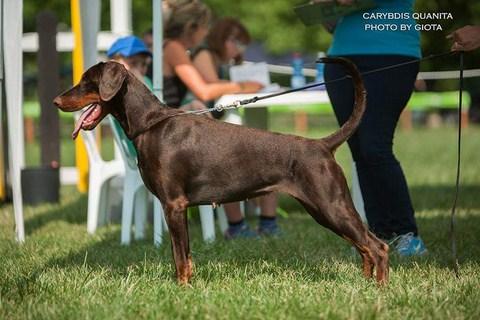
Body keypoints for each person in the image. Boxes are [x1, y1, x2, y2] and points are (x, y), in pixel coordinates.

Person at [323, 0, 426, 256]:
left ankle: (407, 234)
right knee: (360, 151)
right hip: (340, 57)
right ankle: (380, 233)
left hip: (391, 53)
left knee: (375, 146)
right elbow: (332, 22)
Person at [192, 17, 280, 239]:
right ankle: (239, 225)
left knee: (268, 154)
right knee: (241, 161)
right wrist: (245, 85)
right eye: (236, 42)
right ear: (223, 38)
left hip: (213, 124)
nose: (239, 49)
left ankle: (267, 223)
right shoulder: (204, 54)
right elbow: (210, 89)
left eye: (242, 45)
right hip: (200, 128)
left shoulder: (221, 60)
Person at [161, 1, 262, 108]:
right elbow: (204, 92)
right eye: (205, 26)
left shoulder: (173, 46)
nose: (206, 32)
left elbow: (211, 85)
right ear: (192, 27)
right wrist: (243, 86)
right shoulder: (173, 47)